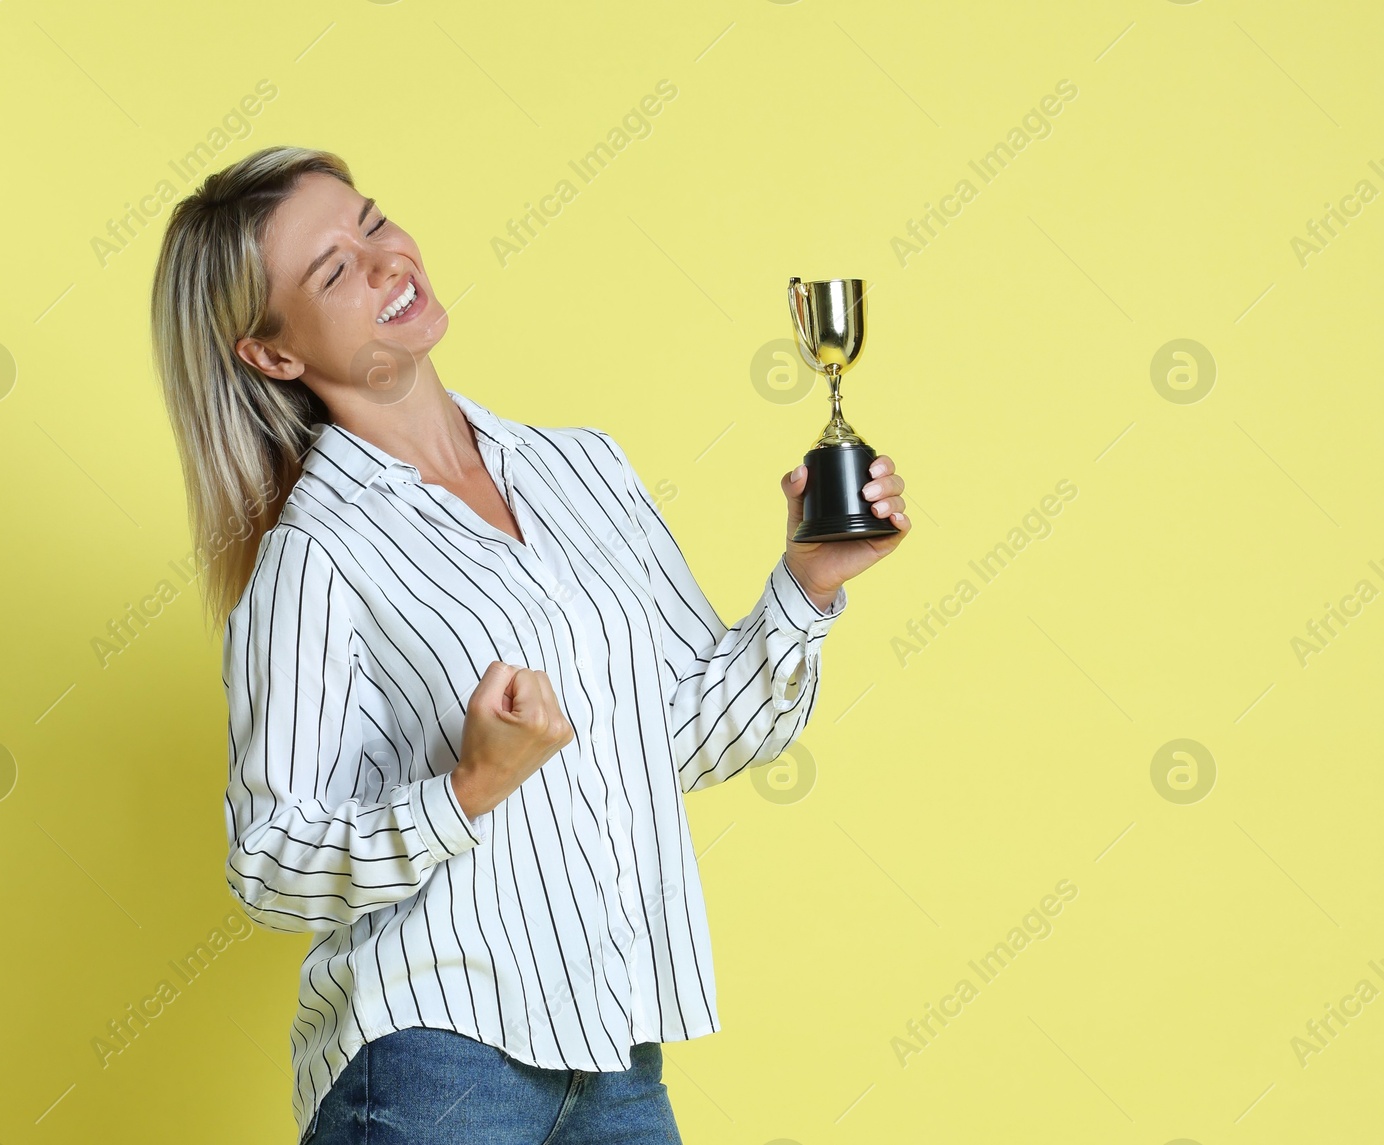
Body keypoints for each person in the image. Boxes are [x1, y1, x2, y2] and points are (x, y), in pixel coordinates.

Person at [150, 146, 910, 1145]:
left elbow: (678, 736)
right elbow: (270, 862)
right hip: (431, 1066)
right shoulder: (315, 551)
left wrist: (805, 590)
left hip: (618, 1058)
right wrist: (469, 785)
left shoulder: (582, 467)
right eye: (331, 269)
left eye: (373, 222)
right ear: (273, 354)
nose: (384, 261)